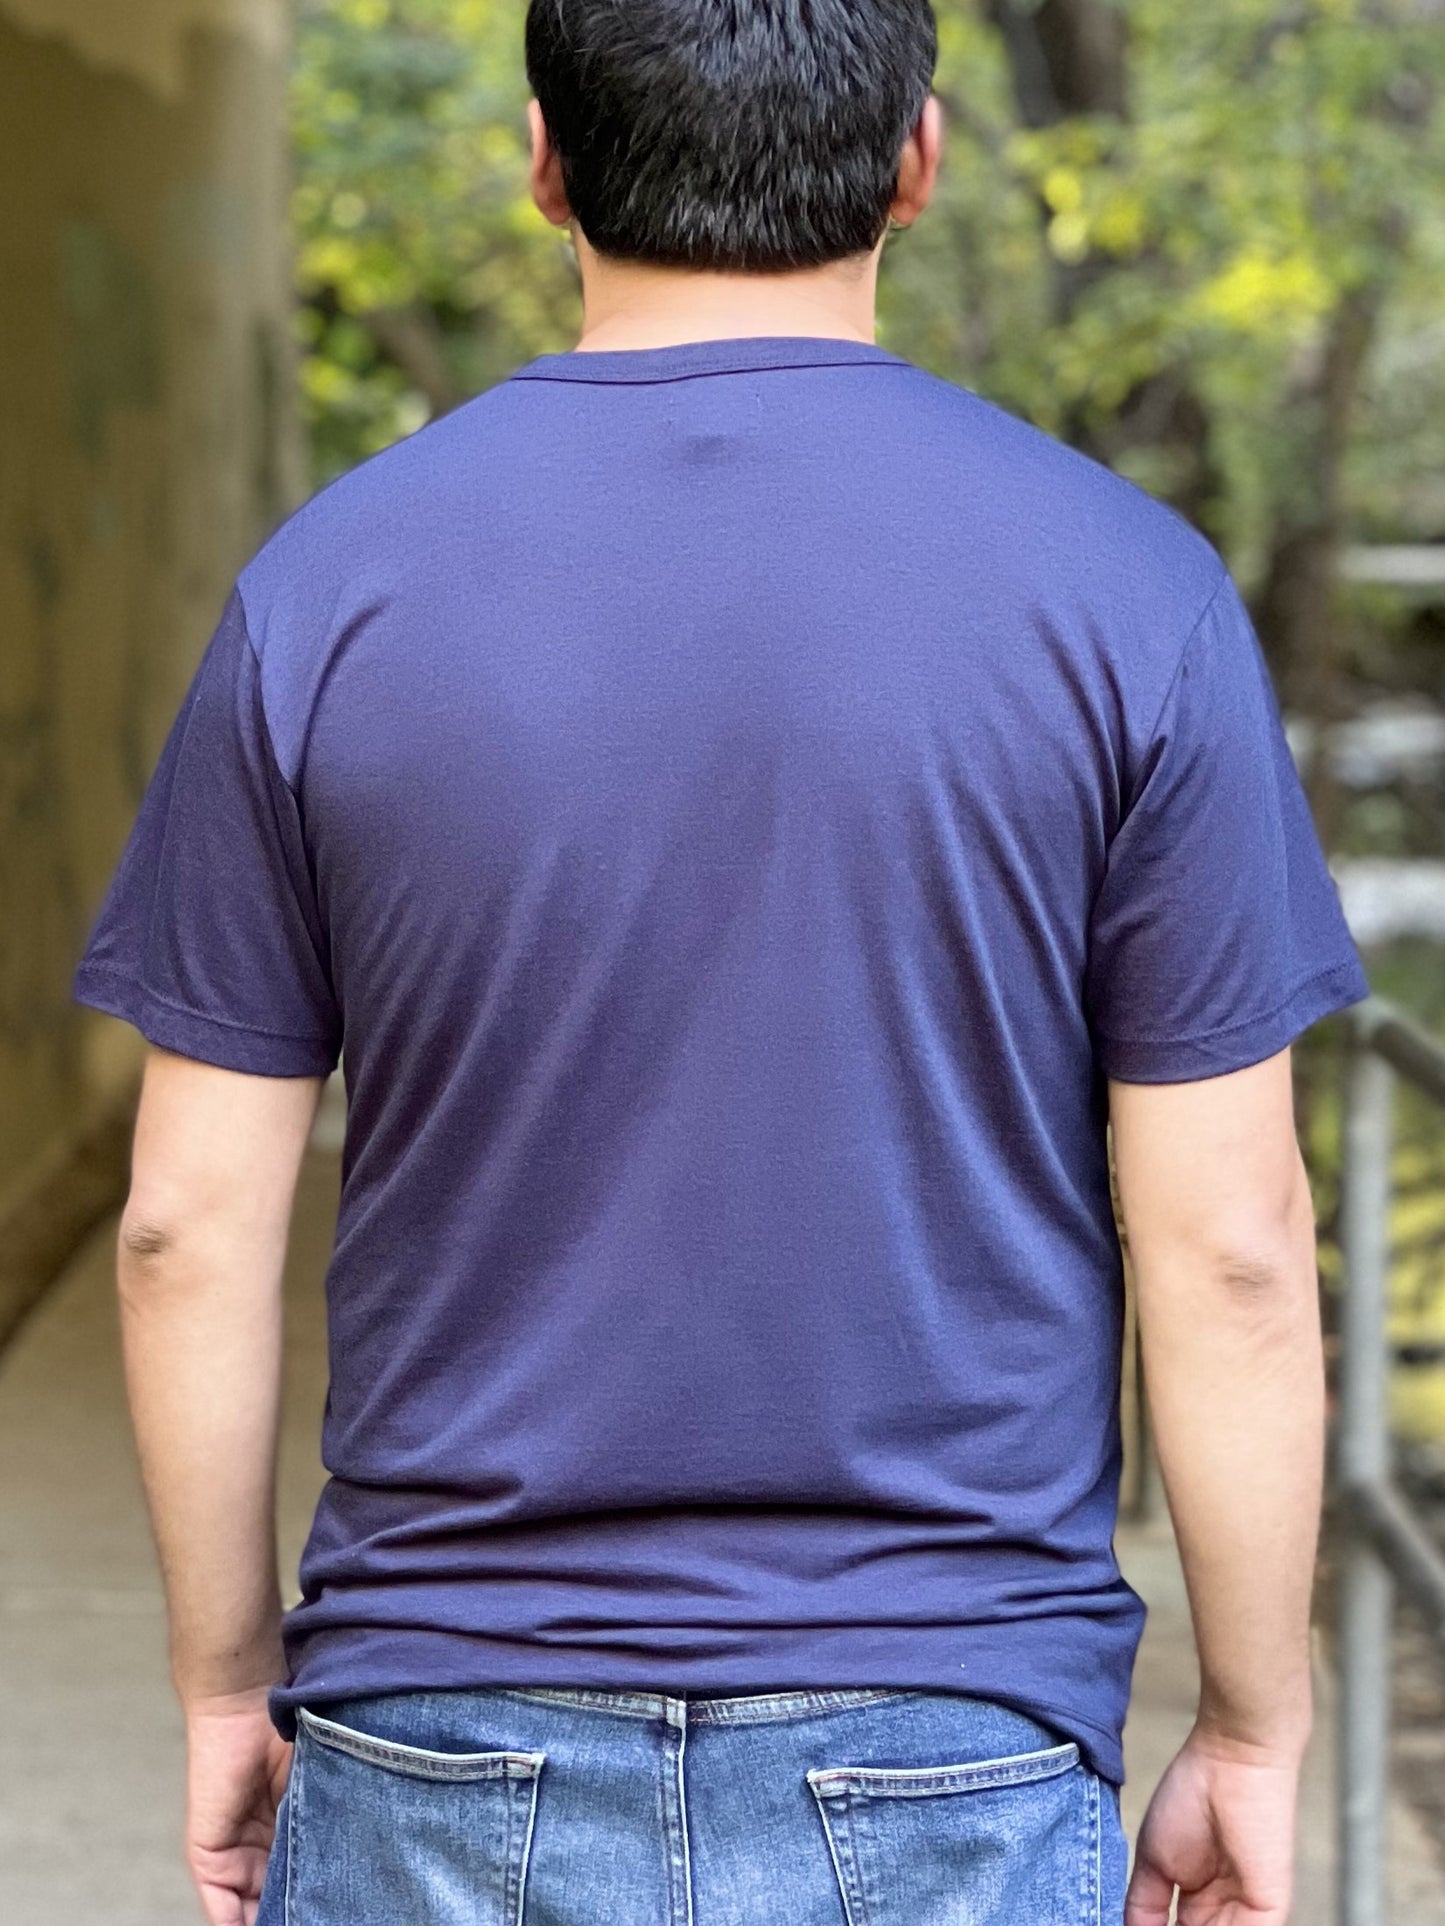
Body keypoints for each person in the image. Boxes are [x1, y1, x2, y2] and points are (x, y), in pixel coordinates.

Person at [72, 2, 1371, 1922]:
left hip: (438, 1723)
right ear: (919, 159)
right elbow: (1236, 1245)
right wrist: (1255, 1724)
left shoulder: (323, 596)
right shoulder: (1131, 597)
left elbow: (183, 1225)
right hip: (955, 1728)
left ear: (543, 160)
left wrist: (220, 1679)